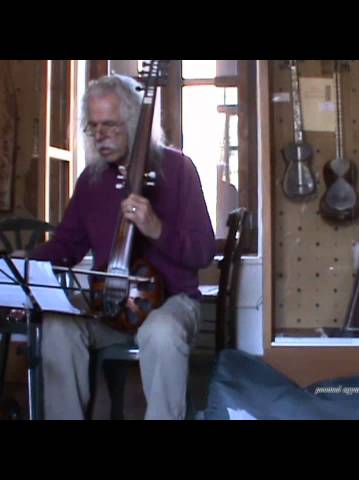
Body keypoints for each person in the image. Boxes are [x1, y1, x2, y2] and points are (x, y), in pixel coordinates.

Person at [29, 73, 216, 420]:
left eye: (111, 126)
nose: (100, 136)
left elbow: (203, 251)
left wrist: (156, 228)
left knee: (160, 332)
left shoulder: (179, 169)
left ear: (135, 121)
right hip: (109, 307)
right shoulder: (92, 179)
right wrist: (22, 263)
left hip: (173, 302)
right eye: (93, 126)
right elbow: (66, 246)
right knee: (57, 326)